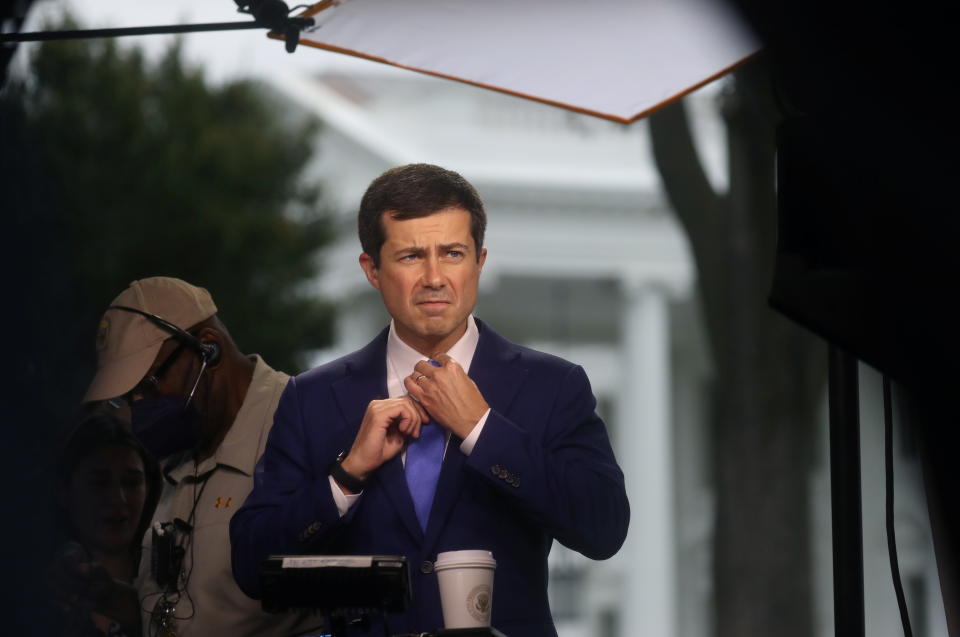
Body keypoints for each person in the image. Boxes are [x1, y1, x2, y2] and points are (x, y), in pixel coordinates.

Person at [230, 164, 630, 636]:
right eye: (411, 256)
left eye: (453, 253)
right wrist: (346, 475)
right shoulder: (311, 398)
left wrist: (483, 428)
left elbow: (604, 530)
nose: (435, 277)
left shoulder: (553, 385)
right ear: (372, 269)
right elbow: (251, 567)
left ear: (480, 261)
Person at [83, 277, 319, 637]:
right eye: (127, 397)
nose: (138, 407)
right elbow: (196, 610)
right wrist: (115, 601)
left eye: (148, 385)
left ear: (208, 349)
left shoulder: (305, 424)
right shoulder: (177, 450)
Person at [49, 405, 162, 637]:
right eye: (99, 482)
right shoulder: (36, 594)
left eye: (131, 482)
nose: (117, 498)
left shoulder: (176, 584)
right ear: (64, 491)